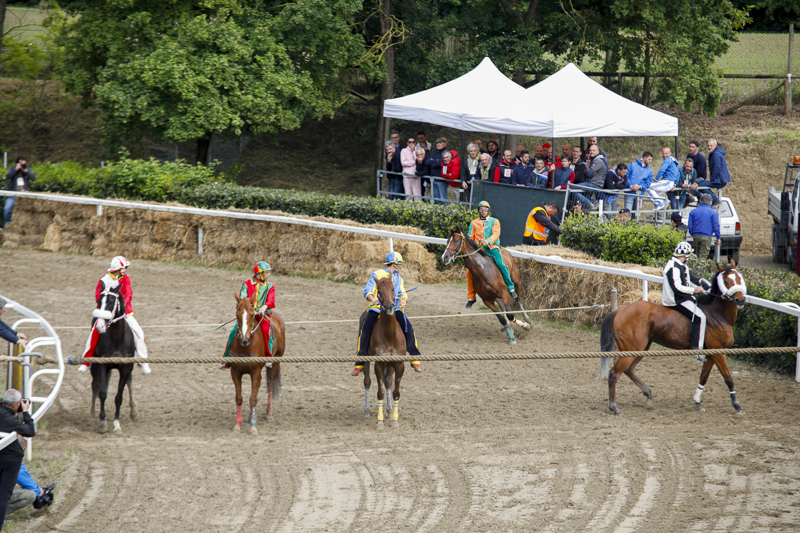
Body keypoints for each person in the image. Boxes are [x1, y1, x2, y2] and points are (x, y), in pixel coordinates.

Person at [79, 257, 151, 374]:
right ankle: (86, 361)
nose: (126, 269)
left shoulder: (126, 278)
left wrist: (122, 306)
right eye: (125, 267)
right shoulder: (104, 280)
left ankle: (142, 362)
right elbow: (99, 296)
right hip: (106, 314)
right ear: (119, 269)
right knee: (93, 333)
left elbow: (129, 293)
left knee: (139, 333)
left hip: (124, 313)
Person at [352, 252, 421, 375]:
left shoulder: (398, 278)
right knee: (365, 331)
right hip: (377, 308)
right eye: (400, 264)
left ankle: (415, 358)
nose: (401, 267)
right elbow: (368, 290)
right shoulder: (377, 274)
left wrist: (404, 300)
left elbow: (402, 293)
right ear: (395, 264)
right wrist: (373, 299)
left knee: (409, 328)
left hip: (395, 308)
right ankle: (360, 362)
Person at [220, 261, 276, 369]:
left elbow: (271, 300)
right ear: (259, 274)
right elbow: (243, 298)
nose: (269, 275)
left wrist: (264, 307)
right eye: (266, 272)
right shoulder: (246, 284)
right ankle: (226, 358)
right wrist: (248, 309)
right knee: (233, 332)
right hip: (248, 314)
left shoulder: (270, 286)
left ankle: (268, 357)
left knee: (266, 330)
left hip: (263, 315)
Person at [662, 242, 711, 357]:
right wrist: (694, 290)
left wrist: (709, 287)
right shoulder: (673, 266)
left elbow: (694, 280)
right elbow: (676, 287)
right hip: (676, 300)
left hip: (684, 297)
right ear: (685, 255)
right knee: (701, 317)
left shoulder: (681, 265)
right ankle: (697, 349)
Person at [465, 201, 517, 305]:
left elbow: (496, 234)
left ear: (489, 211)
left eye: (485, 209)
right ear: (479, 211)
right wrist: (478, 243)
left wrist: (488, 241)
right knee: (469, 272)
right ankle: (471, 296)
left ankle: (510, 287)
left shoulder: (495, 221)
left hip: (492, 247)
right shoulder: (474, 223)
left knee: (500, 263)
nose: (483, 211)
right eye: (481, 209)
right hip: (479, 250)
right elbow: (470, 238)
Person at [0, 390, 35, 531]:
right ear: (15, 404)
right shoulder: (10, 420)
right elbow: (30, 431)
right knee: (4, 494)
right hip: (10, 460)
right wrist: (25, 412)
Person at [7, 438, 53, 516]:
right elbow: (24, 479)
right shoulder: (13, 459)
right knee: (30, 495)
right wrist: (39, 491)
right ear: (23, 448)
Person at [688, 194, 721, 261]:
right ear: (710, 201)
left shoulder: (693, 212)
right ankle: (700, 267)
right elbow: (715, 226)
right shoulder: (713, 212)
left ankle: (696, 265)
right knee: (703, 257)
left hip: (696, 235)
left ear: (700, 201)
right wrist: (718, 237)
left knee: (697, 255)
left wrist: (693, 234)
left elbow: (690, 226)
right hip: (706, 236)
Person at [4, 157, 35, 226]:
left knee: (25, 212)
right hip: (13, 194)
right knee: (7, 209)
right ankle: (7, 225)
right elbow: (7, 177)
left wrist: (25, 171)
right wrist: (16, 170)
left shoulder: (27, 169)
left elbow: (33, 178)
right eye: (21, 162)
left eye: (24, 162)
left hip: (24, 195)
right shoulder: (13, 168)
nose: (22, 164)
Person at [648, 147, 680, 212]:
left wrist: (656, 179)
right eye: (663, 153)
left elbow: (662, 170)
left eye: (666, 153)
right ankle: (664, 200)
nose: (664, 155)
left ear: (670, 153)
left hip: (667, 181)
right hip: (669, 182)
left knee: (648, 187)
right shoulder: (674, 161)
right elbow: (678, 173)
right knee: (652, 193)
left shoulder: (667, 160)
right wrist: (675, 184)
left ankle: (660, 202)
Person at [624, 152, 655, 217]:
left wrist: (640, 187)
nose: (650, 161)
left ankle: (635, 222)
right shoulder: (632, 165)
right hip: (629, 193)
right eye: (649, 159)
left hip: (640, 194)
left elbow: (648, 182)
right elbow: (626, 175)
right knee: (627, 212)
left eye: (651, 160)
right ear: (644, 158)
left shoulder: (649, 170)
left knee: (636, 213)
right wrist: (630, 185)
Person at [706, 138, 730, 204]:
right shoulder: (715, 153)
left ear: (715, 145)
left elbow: (716, 168)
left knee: (701, 186)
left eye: (711, 145)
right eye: (708, 145)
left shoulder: (716, 154)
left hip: (719, 180)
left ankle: (715, 200)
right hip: (719, 179)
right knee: (702, 184)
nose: (709, 147)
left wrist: (711, 178)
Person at [425, 138, 447, 203]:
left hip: (441, 179)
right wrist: (436, 161)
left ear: (444, 144)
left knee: (443, 198)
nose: (438, 144)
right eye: (437, 143)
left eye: (440, 143)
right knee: (436, 198)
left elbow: (440, 163)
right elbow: (427, 162)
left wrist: (433, 161)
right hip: (434, 179)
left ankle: (446, 209)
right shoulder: (435, 153)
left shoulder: (446, 152)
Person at [400, 136, 419, 201]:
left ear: (415, 143)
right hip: (407, 175)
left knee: (417, 195)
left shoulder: (418, 150)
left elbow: (418, 161)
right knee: (408, 195)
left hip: (416, 176)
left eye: (413, 142)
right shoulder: (404, 150)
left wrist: (413, 152)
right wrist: (414, 162)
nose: (411, 143)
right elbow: (403, 163)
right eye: (410, 142)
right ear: (407, 143)